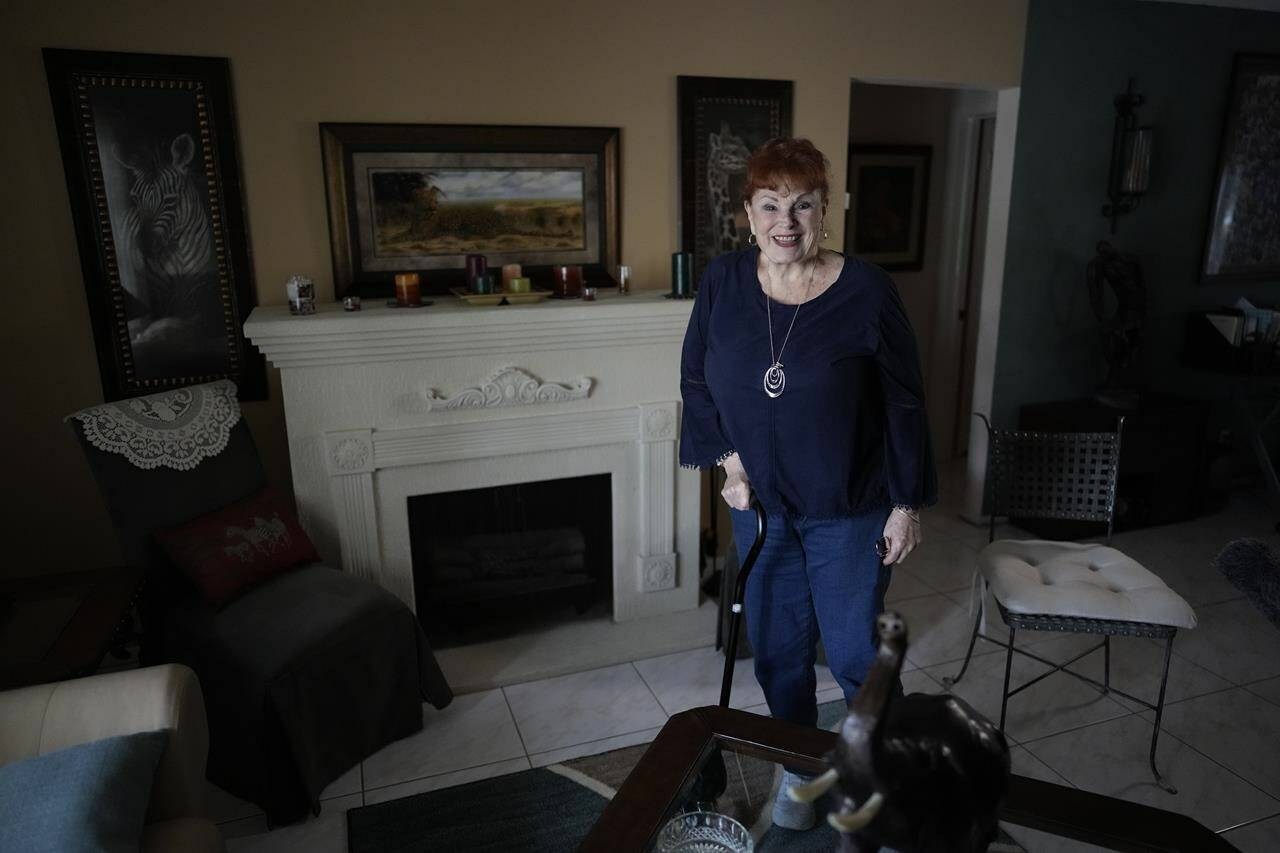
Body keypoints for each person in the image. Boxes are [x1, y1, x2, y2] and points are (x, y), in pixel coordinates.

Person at [679, 137, 937, 831]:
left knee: (856, 654)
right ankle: (799, 772)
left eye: (803, 205)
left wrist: (906, 503)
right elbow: (697, 378)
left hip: (851, 507)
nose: (785, 221)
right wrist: (729, 462)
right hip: (763, 511)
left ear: (827, 208)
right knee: (779, 653)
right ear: (747, 210)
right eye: (770, 205)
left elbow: (904, 401)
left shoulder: (868, 291)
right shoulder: (724, 282)